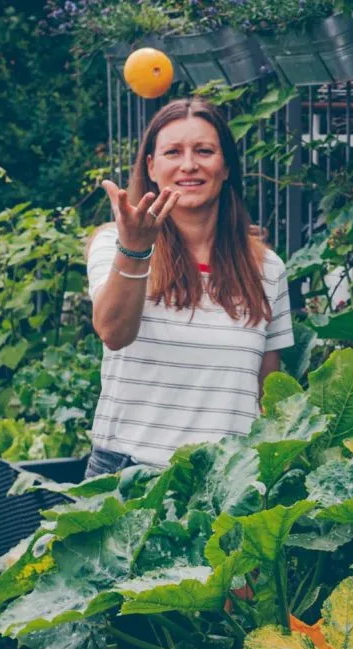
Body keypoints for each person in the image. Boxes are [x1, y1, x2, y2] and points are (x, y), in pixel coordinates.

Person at [84, 97, 293, 478]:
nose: (189, 165)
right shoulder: (113, 244)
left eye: (204, 151)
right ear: (151, 166)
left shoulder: (267, 269)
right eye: (173, 152)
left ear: (226, 166)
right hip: (127, 478)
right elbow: (113, 333)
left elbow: (271, 394)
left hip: (226, 484)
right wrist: (135, 248)